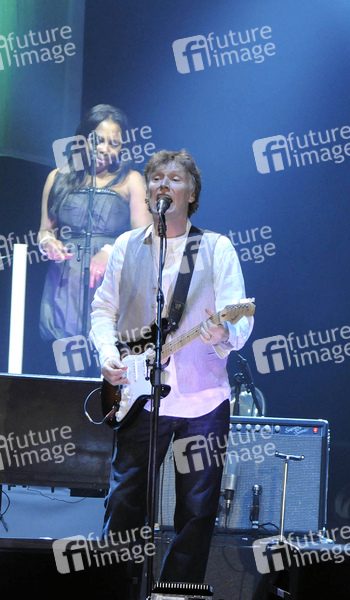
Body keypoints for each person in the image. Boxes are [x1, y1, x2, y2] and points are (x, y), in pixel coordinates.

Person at [90, 149, 253, 584]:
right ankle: (115, 589)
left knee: (197, 512)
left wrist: (223, 334)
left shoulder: (216, 247)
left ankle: (176, 593)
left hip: (203, 400)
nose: (163, 184)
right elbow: (103, 309)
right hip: (138, 397)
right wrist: (107, 354)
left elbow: (240, 317)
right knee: (124, 503)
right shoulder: (127, 246)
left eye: (175, 178)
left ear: (192, 193)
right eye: (156, 177)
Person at [38, 104, 150, 345]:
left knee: (106, 352)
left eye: (114, 143)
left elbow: (144, 236)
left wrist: (110, 251)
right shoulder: (57, 177)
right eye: (98, 140)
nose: (104, 149)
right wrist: (47, 243)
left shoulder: (131, 180)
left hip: (110, 281)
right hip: (65, 280)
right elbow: (45, 230)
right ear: (84, 138)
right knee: (65, 354)